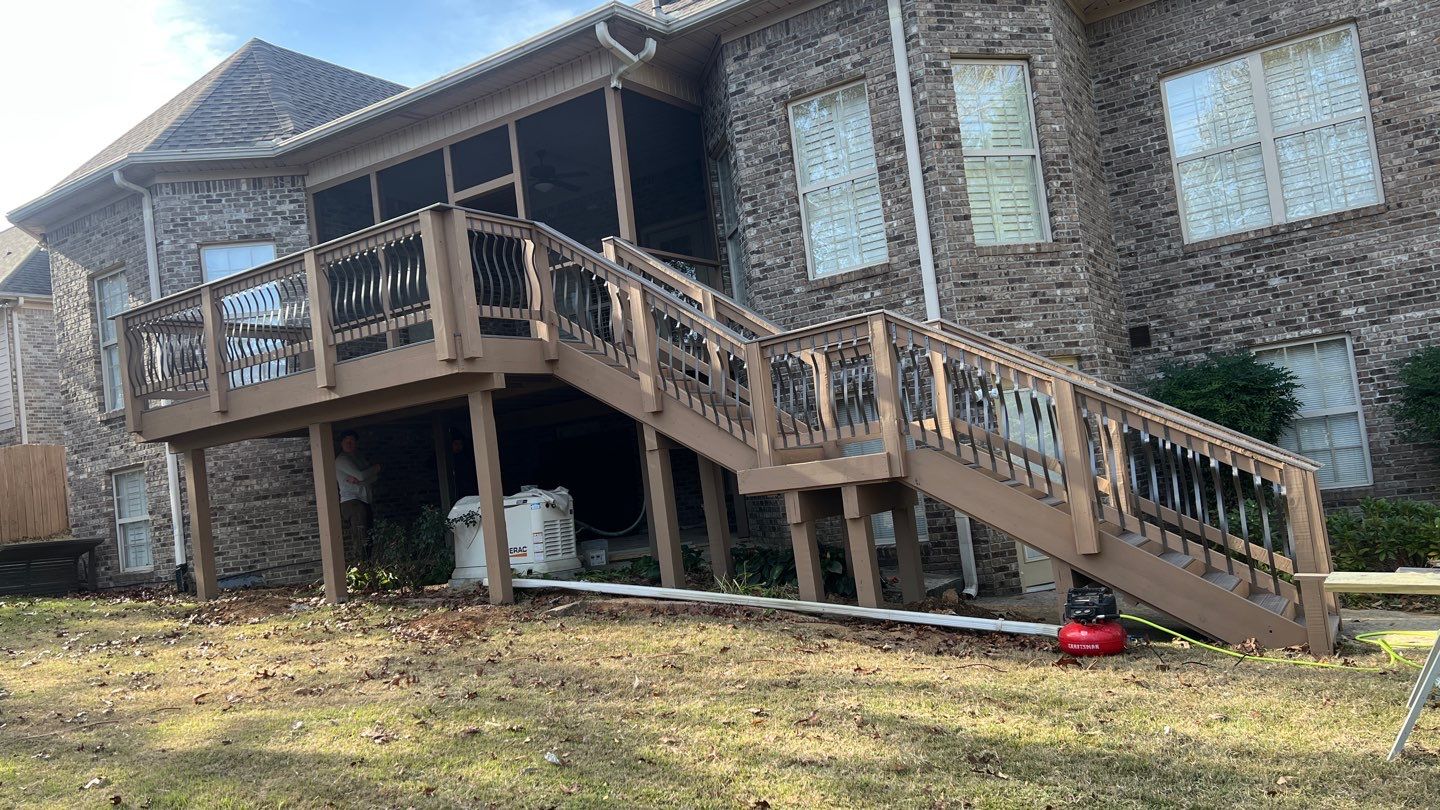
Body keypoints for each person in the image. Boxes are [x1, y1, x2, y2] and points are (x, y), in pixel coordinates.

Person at [335, 430, 381, 558]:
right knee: (361, 536)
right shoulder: (342, 460)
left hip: (365, 501)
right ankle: (362, 569)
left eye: (352, 440)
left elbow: (374, 478)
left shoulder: (359, 458)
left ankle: (369, 565)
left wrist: (361, 481)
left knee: (369, 536)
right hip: (352, 502)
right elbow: (362, 475)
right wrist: (375, 469)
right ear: (342, 443)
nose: (349, 443)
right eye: (346, 440)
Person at [448, 433, 478, 502]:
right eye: (456, 444)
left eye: (460, 444)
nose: (458, 447)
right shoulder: (447, 459)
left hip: (467, 490)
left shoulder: (466, 458)